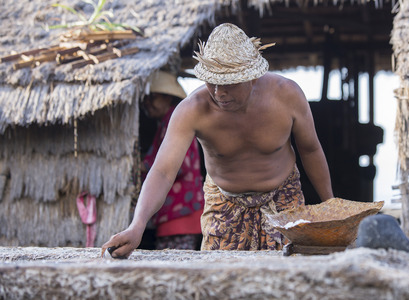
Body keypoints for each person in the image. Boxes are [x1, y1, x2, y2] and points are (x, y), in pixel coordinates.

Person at [102, 23, 334, 256]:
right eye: (211, 82)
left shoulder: (287, 95)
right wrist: (137, 224)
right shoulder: (192, 110)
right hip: (224, 205)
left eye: (228, 84)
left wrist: (331, 207)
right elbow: (163, 171)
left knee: (288, 281)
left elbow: (310, 150)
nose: (218, 93)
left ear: (252, 77)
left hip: (284, 200)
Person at [138, 70, 204, 250]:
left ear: (168, 98)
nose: (147, 103)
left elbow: (178, 165)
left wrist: (145, 168)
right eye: (147, 98)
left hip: (180, 211)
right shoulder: (168, 121)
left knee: (175, 266)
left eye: (153, 97)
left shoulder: (175, 120)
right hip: (176, 211)